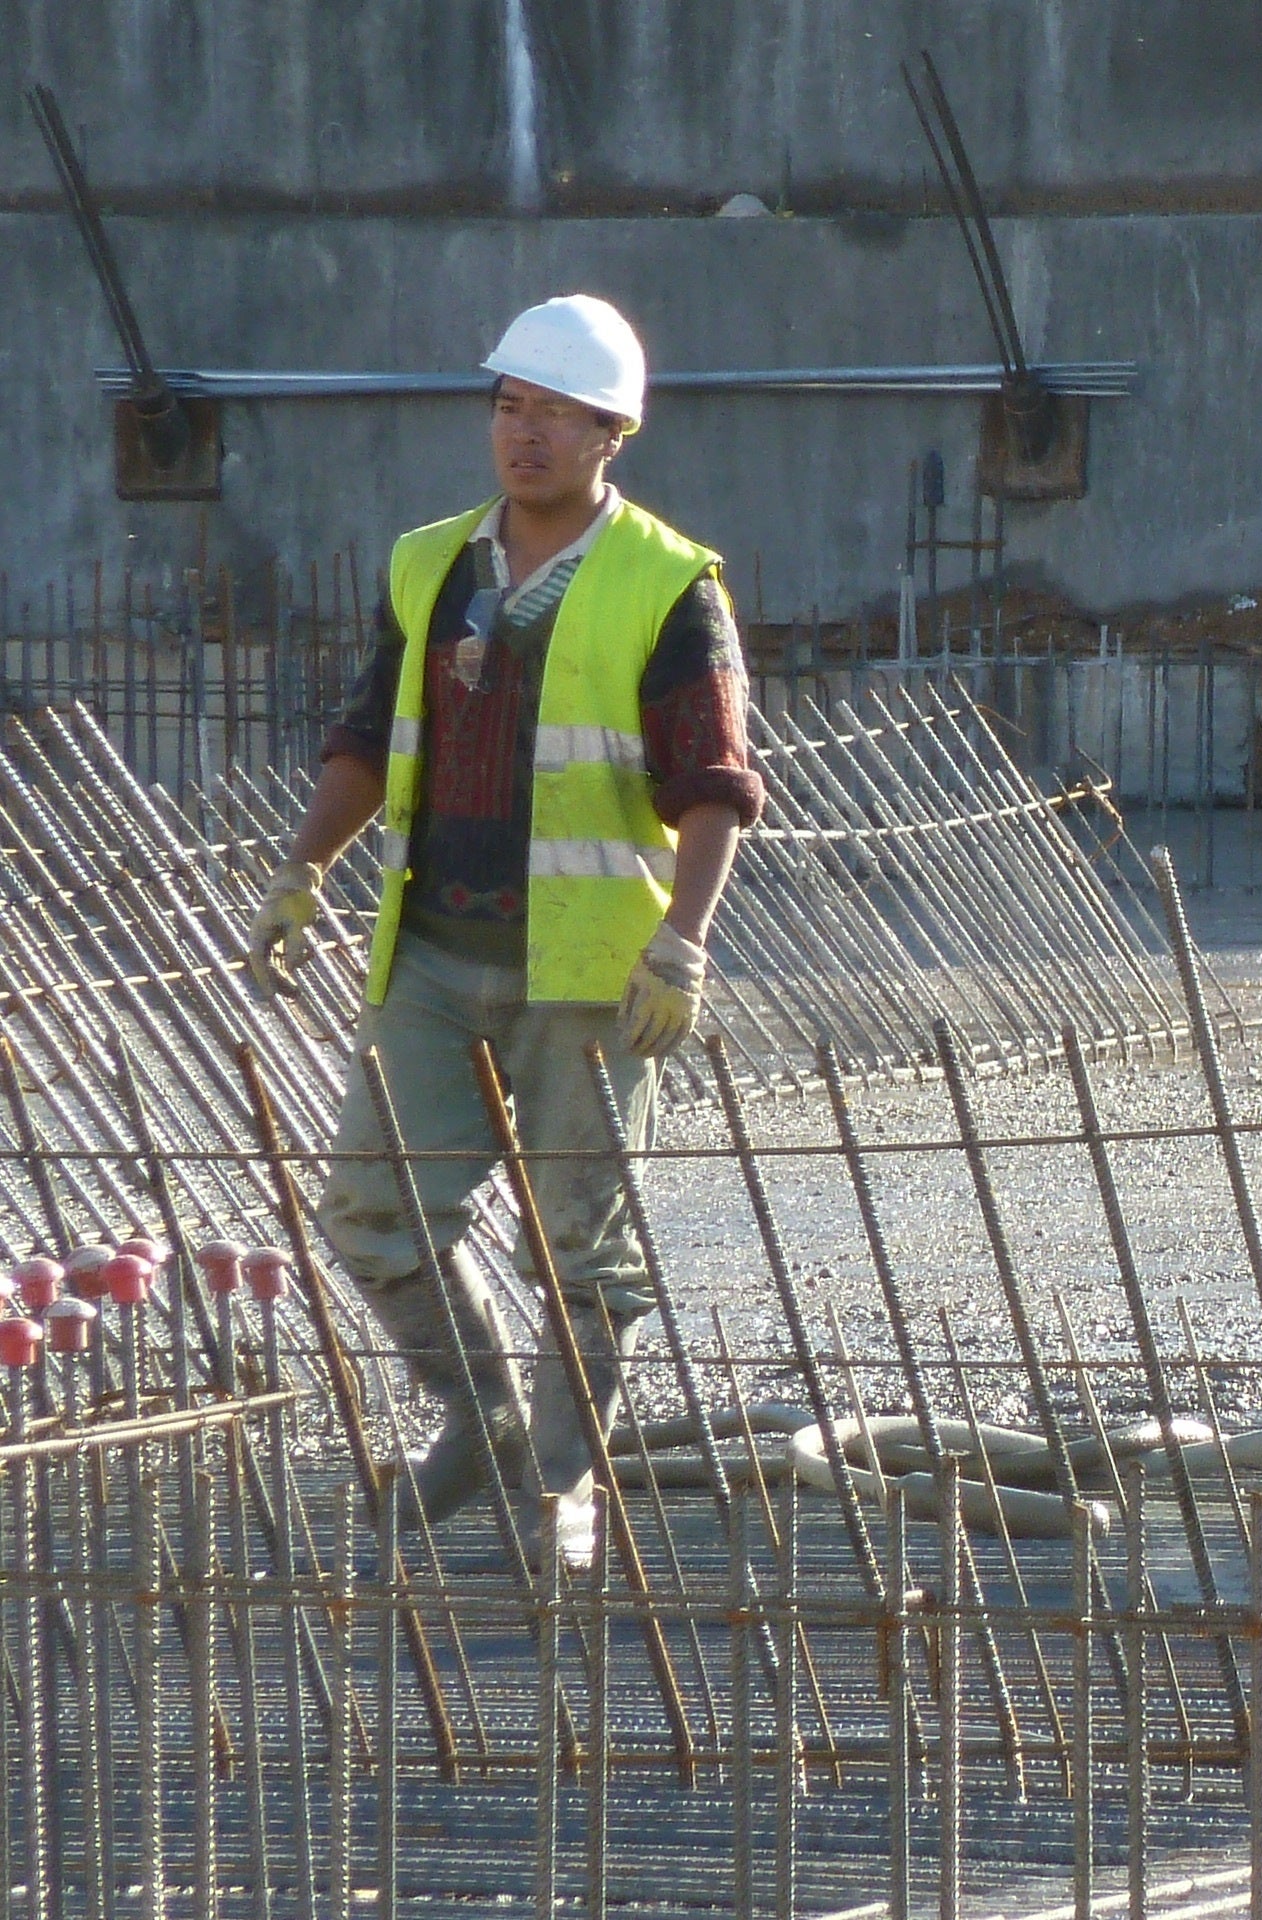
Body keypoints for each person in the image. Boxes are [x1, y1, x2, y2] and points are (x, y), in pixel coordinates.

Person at [243, 294, 764, 1559]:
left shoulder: (665, 582)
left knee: (582, 1250)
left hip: (587, 969)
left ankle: (562, 1483)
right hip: (432, 952)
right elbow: (369, 740)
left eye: (554, 415)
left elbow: (714, 784)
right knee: (374, 1211)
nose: (522, 434)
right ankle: (482, 1411)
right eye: (507, 406)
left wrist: (681, 942)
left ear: (611, 433)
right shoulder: (431, 565)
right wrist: (304, 869)